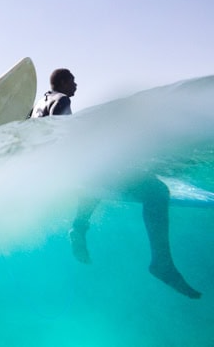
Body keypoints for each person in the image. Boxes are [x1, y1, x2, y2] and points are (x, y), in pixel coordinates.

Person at [31, 68, 200, 299]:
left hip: (59, 172)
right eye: (73, 81)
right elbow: (66, 140)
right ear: (62, 81)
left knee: (95, 182)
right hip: (73, 168)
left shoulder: (40, 103)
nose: (77, 85)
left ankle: (78, 228)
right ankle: (162, 263)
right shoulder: (62, 101)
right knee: (157, 190)